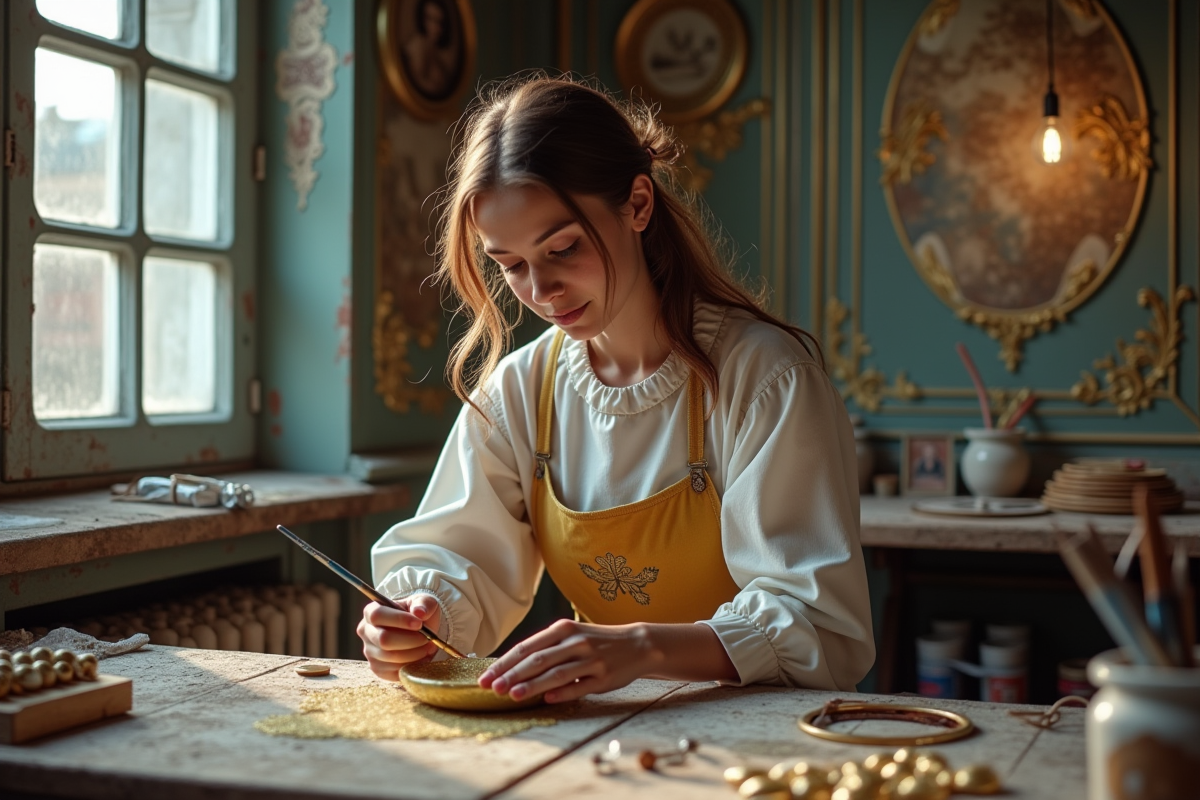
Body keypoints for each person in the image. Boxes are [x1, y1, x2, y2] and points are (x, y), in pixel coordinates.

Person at [360, 75, 874, 704]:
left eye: (563, 248)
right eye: (511, 265)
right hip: (607, 732)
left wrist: (642, 648)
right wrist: (422, 616)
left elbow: (820, 623)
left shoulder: (765, 377)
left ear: (637, 204)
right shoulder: (521, 390)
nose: (540, 292)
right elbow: (459, 557)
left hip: (759, 735)